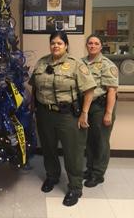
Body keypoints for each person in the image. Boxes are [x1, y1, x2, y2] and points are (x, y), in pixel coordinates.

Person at [29, 31, 96, 206]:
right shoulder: (41, 62)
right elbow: (34, 86)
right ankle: (52, 176)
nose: (55, 46)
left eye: (59, 43)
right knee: (49, 148)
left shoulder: (76, 64)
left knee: (72, 152)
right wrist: (33, 107)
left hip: (67, 116)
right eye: (53, 43)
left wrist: (84, 113)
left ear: (66, 45)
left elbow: (89, 90)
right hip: (44, 114)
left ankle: (75, 187)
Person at [82, 34, 118, 187]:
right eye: (90, 43)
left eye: (96, 43)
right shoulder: (81, 62)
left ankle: (98, 174)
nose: (93, 46)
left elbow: (111, 91)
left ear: (101, 47)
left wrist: (108, 113)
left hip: (101, 107)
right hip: (87, 106)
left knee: (101, 141)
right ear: (87, 45)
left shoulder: (107, 64)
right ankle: (90, 169)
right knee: (89, 140)